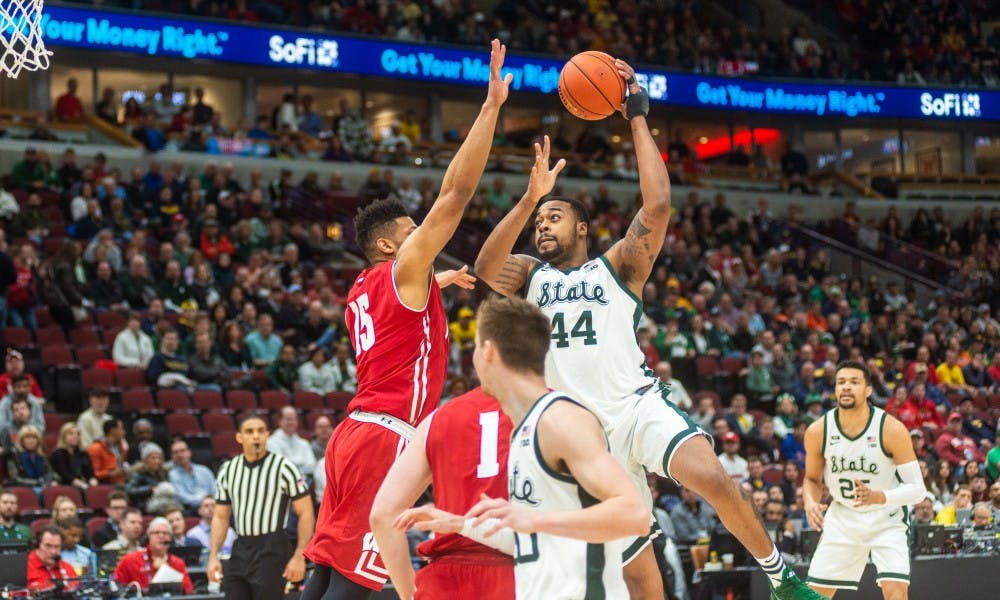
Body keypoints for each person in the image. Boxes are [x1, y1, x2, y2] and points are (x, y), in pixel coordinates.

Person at [474, 60, 820, 599]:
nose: (543, 225)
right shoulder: (530, 277)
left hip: (635, 407)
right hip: (582, 434)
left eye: (553, 217)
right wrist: (530, 198)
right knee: (638, 569)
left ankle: (781, 578)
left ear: (582, 228)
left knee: (713, 478)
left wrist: (636, 115)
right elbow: (485, 267)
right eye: (540, 221)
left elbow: (657, 205)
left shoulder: (616, 266)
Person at [303, 39, 511, 600]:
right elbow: (457, 193)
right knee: (357, 583)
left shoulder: (360, 288)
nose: (423, 234)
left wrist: (440, 282)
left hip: (351, 435)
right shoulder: (403, 266)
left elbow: (398, 320)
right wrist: (490, 106)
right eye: (413, 230)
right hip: (388, 437)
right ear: (391, 242)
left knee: (325, 571)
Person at [395, 297, 648, 599]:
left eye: (475, 346)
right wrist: (461, 524)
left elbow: (635, 514)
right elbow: (536, 541)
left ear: (487, 351)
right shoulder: (523, 430)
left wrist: (535, 520)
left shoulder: (561, 420)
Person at [370, 387, 514, 600]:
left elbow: (383, 515)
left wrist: (410, 594)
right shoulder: (555, 410)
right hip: (519, 573)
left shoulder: (438, 418)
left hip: (444, 581)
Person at [803, 361, 927, 598]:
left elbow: (917, 490)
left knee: (896, 592)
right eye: (841, 382)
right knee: (814, 595)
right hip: (843, 517)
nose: (846, 387)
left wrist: (878, 497)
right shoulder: (818, 431)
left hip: (886, 518)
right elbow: (811, 478)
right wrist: (809, 502)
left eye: (854, 382)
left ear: (868, 390)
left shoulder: (891, 429)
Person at [207, 414, 313, 600]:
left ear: (267, 435)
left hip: (274, 546)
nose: (256, 436)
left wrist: (299, 556)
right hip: (240, 547)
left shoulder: (284, 467)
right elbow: (220, 517)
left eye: (260, 431)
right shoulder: (228, 470)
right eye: (249, 432)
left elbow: (306, 512)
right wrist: (213, 555)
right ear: (239, 437)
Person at [114, 517, 194, 594]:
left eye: (165, 533)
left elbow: (188, 590)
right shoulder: (129, 560)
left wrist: (166, 570)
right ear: (148, 537)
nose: (161, 536)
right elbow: (117, 588)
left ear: (170, 538)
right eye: (156, 533)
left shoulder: (178, 563)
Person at [267, 405, 317, 480]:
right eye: (288, 419)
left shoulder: (304, 443)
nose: (291, 422)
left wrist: (294, 466)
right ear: (280, 421)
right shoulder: (271, 442)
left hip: (305, 481)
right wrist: (301, 465)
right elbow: (280, 468)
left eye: (293, 419)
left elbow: (312, 466)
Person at [168, 439, 217, 514]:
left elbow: (215, 490)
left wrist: (212, 502)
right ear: (172, 457)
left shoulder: (204, 470)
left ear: (189, 452)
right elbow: (182, 497)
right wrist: (203, 502)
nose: (179, 455)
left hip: (213, 504)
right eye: (175, 452)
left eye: (183, 451)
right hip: (193, 508)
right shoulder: (173, 474)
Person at [27, 525, 79, 592]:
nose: (53, 551)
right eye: (48, 546)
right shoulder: (23, 567)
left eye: (57, 547)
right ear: (37, 545)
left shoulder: (67, 568)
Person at [50, 422, 99, 489]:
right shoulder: (58, 454)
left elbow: (90, 472)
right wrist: (82, 485)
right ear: (63, 436)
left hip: (84, 484)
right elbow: (64, 474)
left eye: (78, 434)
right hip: (66, 486)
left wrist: (93, 480)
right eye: (71, 434)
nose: (75, 436)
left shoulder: (83, 453)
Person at [88, 418, 129, 485]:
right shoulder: (95, 448)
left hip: (121, 483)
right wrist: (110, 474)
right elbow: (93, 474)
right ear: (113, 430)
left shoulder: (121, 447)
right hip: (104, 485)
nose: (124, 432)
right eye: (121, 429)